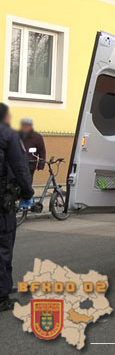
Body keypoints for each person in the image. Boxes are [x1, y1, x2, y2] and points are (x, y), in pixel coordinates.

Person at [0, 103, 34, 311]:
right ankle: (1, 295)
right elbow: (20, 167)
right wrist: (27, 192)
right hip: (2, 200)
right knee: (3, 244)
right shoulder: (7, 135)